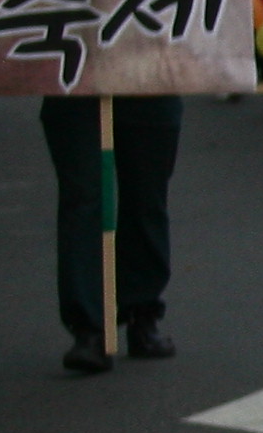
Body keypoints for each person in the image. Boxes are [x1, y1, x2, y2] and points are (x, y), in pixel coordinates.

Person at [37, 96, 178, 373]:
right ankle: (89, 328)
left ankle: (141, 312)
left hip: (149, 75)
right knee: (82, 197)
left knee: (147, 195)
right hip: (76, 81)